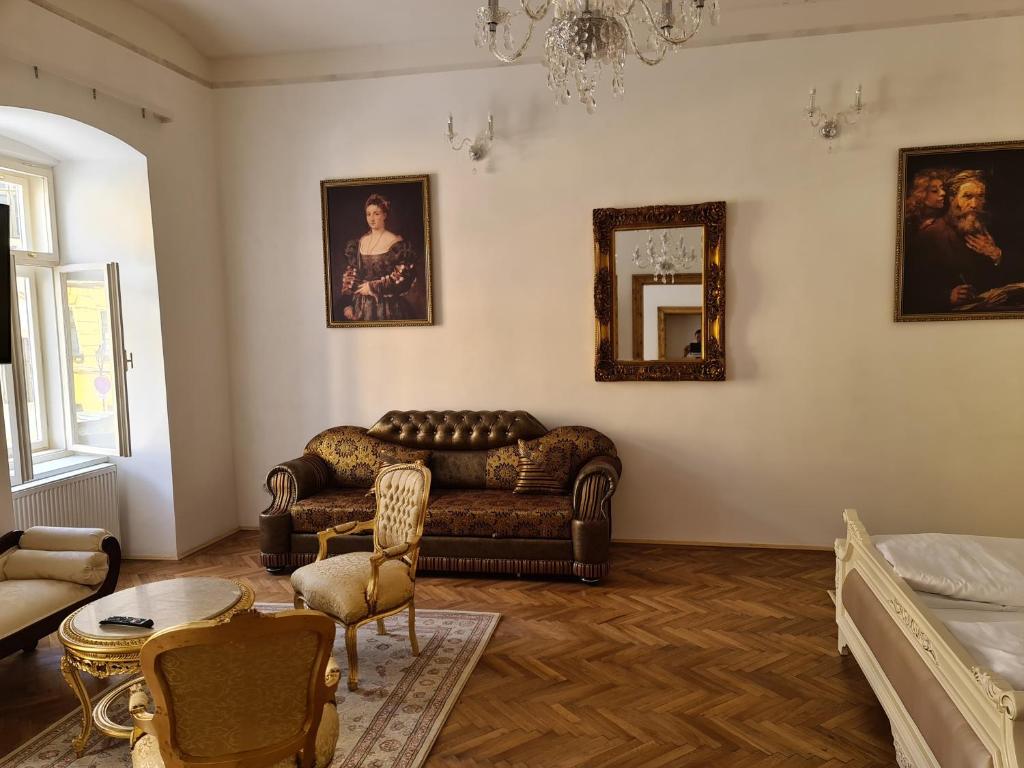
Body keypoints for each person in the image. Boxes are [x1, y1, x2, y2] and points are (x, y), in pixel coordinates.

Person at [903, 170, 1022, 314]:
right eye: (967, 196)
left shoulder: (985, 228)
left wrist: (997, 254)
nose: (974, 204)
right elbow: (910, 291)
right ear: (952, 199)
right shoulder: (931, 235)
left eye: (980, 196)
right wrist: (947, 297)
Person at [336, 193, 419, 322]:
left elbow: (403, 278)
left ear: (385, 215)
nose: (372, 218)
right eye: (368, 214)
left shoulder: (395, 242)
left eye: (376, 213)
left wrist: (372, 287)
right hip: (360, 306)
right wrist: (347, 304)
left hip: (388, 306)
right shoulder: (360, 242)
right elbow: (352, 275)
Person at [904, 169, 948, 236]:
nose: (943, 193)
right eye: (934, 191)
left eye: (942, 188)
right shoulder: (908, 220)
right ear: (921, 195)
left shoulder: (944, 214)